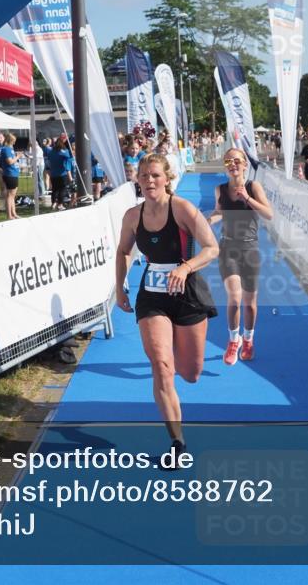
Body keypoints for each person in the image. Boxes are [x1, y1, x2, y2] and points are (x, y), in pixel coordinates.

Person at [114, 153, 219, 461]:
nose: (149, 181)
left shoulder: (183, 209)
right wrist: (120, 286)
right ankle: (177, 442)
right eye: (144, 175)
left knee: (190, 373)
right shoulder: (132, 216)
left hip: (187, 294)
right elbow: (123, 251)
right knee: (161, 365)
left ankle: (178, 347)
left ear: (167, 178)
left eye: (155, 175)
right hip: (153, 296)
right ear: (138, 180)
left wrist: (186, 267)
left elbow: (212, 248)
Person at [208, 148, 273, 366]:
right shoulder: (220, 190)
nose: (232, 164)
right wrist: (208, 220)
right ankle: (233, 341)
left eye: (237, 160)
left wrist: (248, 199)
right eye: (228, 161)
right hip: (228, 248)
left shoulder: (253, 187)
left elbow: (268, 214)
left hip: (250, 249)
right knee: (234, 299)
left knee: (250, 304)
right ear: (225, 166)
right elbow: (218, 211)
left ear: (244, 164)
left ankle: (248, 339)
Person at [48, 134, 74, 210]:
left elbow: (49, 158)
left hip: (53, 174)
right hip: (62, 173)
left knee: (54, 189)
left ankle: (53, 203)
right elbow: (70, 157)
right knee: (62, 189)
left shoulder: (52, 151)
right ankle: (60, 204)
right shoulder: (65, 152)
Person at [0, 133, 21, 220]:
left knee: (12, 195)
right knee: (10, 195)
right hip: (9, 174)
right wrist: (18, 157)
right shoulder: (6, 149)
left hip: (13, 173)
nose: (14, 143)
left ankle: (14, 213)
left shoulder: (10, 149)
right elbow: (9, 162)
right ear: (10, 141)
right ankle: (9, 215)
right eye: (13, 141)